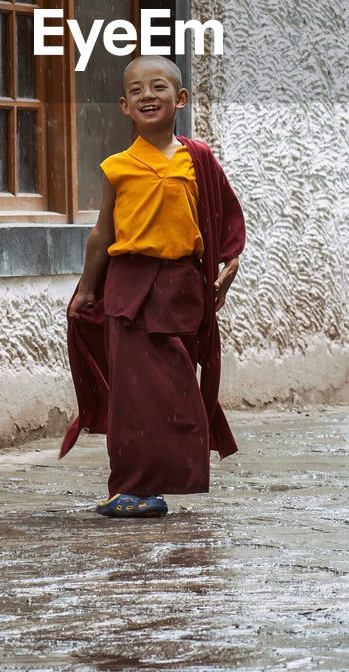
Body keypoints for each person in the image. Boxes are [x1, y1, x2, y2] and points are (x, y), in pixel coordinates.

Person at [59, 54, 246, 518]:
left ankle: (162, 477)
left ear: (180, 99)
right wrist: (86, 289)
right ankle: (128, 487)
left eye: (159, 87)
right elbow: (103, 236)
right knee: (132, 393)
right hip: (128, 287)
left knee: (174, 388)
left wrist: (231, 259)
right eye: (137, 90)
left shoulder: (197, 159)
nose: (148, 96)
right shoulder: (117, 167)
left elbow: (223, 214)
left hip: (181, 289)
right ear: (124, 106)